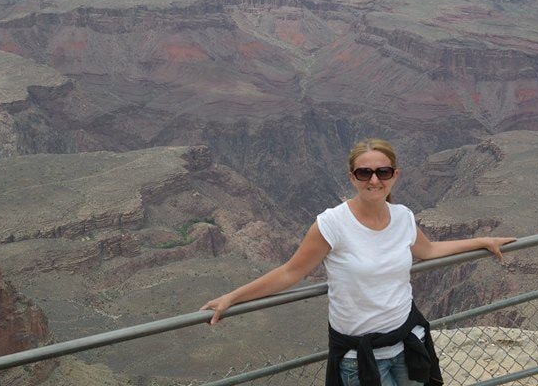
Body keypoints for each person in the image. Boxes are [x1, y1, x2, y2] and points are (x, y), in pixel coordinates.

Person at [201, 138, 517, 386]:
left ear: (395, 175)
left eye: (383, 172)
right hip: (360, 356)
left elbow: (428, 250)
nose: (375, 180)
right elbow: (289, 273)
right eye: (365, 172)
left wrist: (482, 241)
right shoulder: (331, 225)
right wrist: (233, 297)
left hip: (408, 342)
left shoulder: (403, 216)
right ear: (352, 177)